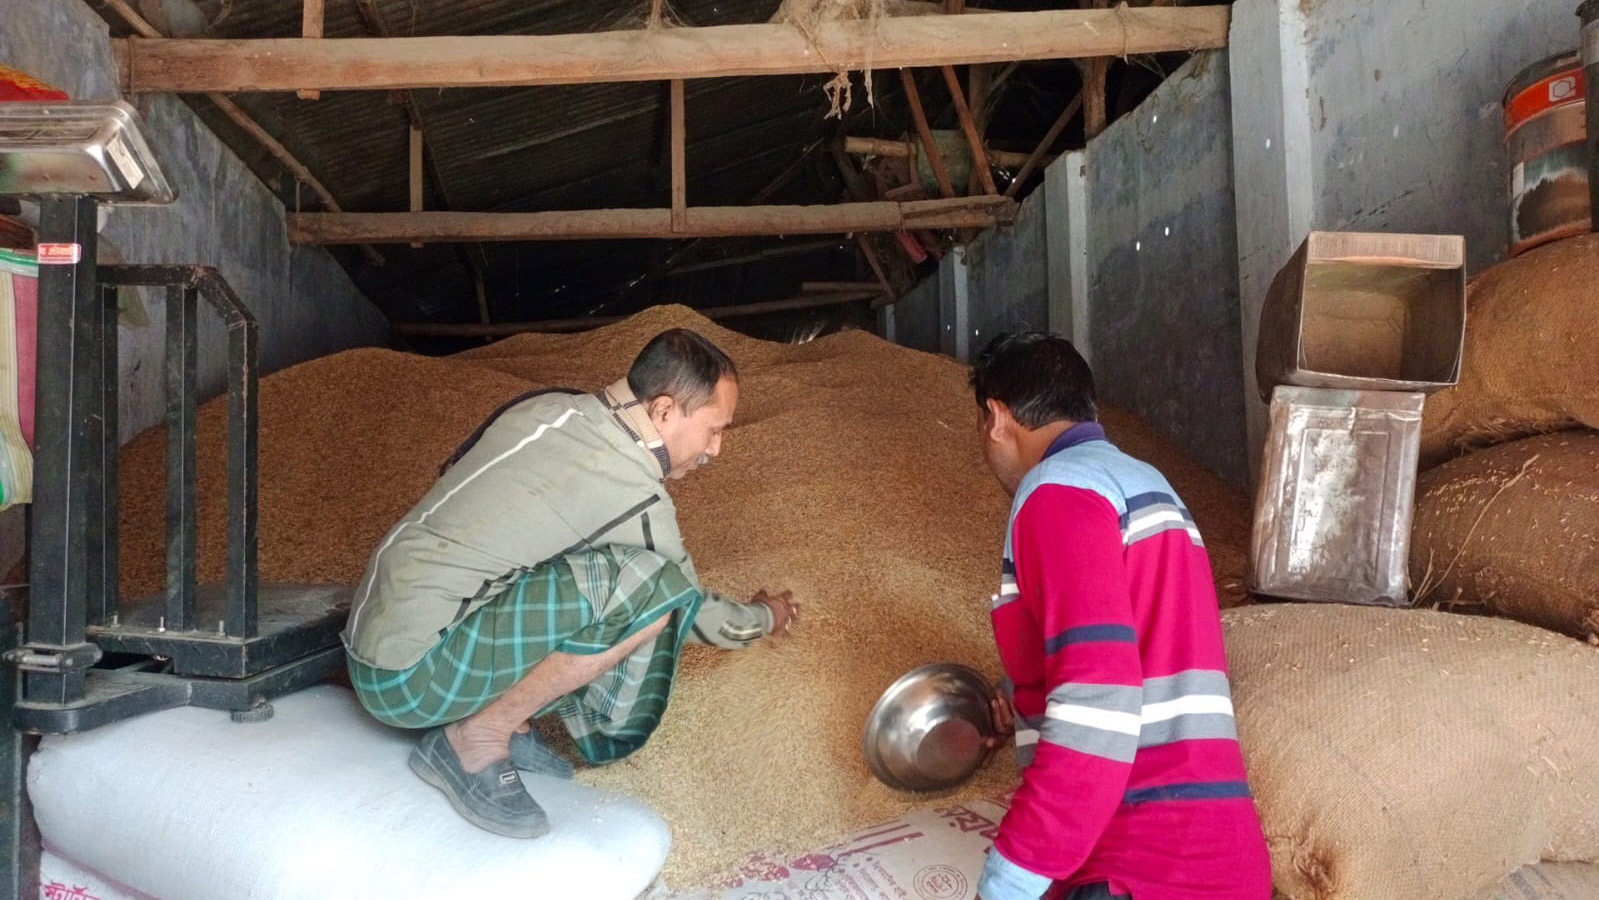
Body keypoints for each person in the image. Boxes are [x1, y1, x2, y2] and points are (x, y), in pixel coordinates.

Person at [342, 328, 798, 839]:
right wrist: (766, 618)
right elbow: (691, 610)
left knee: (559, 558)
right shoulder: (632, 490)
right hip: (407, 684)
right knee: (652, 588)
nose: (717, 449)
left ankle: (511, 721)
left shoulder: (550, 405)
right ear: (665, 411)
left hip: (371, 634)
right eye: (714, 429)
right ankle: (476, 737)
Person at [968, 333, 1270, 900]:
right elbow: (1141, 647)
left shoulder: (1055, 492)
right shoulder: (1144, 483)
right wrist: (1026, 698)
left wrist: (1008, 880)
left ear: (997, 415)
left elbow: (1096, 709)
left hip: (1137, 865)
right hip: (1216, 858)